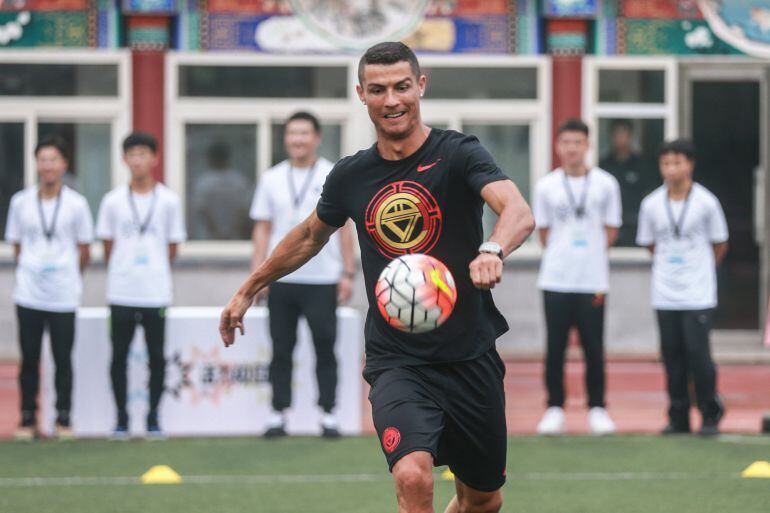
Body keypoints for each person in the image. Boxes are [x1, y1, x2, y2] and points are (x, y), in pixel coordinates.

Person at [221, 42, 534, 513]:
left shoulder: (459, 153)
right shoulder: (351, 175)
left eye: (402, 87)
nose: (392, 100)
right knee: (412, 475)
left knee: (483, 500)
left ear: (421, 86)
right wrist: (248, 288)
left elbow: (517, 210)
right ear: (361, 95)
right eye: (379, 90)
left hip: (470, 354)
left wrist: (493, 248)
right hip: (398, 360)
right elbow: (309, 236)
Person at [250, 111, 356, 438]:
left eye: (304, 133)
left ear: (317, 137)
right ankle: (277, 414)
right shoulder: (271, 178)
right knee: (281, 348)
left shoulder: (332, 175)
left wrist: (348, 272)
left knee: (325, 346)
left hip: (322, 278)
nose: (298, 139)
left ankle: (328, 414)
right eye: (292, 133)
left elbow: (344, 228)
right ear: (286, 138)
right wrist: (259, 277)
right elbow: (262, 230)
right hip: (281, 279)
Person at [533, 119, 622, 436]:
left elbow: (611, 229)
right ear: (558, 146)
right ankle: (554, 407)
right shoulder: (546, 186)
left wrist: (590, 254)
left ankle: (597, 408)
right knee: (555, 346)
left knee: (593, 346)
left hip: (593, 280)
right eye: (566, 142)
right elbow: (544, 233)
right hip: (556, 278)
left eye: (578, 142)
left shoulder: (606, 184)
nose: (572, 148)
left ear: (588, 145)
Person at [96, 132, 186, 439]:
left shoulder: (169, 201)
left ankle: (152, 417)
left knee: (156, 358)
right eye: (132, 154)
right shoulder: (112, 201)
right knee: (118, 357)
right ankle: (121, 419)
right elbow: (108, 246)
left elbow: (172, 249)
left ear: (154, 158)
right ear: (124, 159)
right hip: (121, 291)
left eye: (143, 154)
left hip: (155, 291)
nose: (137, 160)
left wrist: (154, 269)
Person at [636, 138, 728, 436]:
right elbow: (650, 245)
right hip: (665, 294)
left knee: (699, 356)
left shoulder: (706, 202)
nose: (671, 169)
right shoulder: (651, 204)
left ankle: (709, 414)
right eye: (666, 163)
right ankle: (678, 417)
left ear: (690, 164)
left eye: (677, 162)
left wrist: (699, 270)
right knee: (672, 357)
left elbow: (719, 244)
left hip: (697, 293)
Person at [5, 135, 93, 440]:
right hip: (29, 293)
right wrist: (32, 269)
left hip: (63, 294)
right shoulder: (20, 202)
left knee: (62, 359)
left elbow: (84, 249)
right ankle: (28, 418)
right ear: (36, 164)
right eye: (43, 160)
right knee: (29, 358)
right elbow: (17, 246)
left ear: (64, 165)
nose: (48, 166)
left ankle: (63, 418)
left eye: (53, 160)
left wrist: (68, 274)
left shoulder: (77, 204)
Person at [599, 119, 658, 247]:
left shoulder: (642, 165)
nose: (620, 138)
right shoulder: (604, 165)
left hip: (635, 222)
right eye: (616, 134)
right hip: (610, 221)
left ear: (630, 136)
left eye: (623, 134)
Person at [190, 141, 252, 240]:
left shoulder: (203, 182)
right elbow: (243, 211)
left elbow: (202, 210)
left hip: (209, 240)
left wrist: (218, 233)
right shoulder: (239, 181)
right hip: (231, 239)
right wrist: (230, 232)